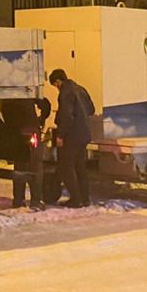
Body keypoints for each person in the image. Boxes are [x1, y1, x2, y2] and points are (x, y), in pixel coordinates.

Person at [50, 67, 95, 208]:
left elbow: (66, 116)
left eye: (55, 85)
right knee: (80, 167)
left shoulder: (65, 93)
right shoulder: (80, 89)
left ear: (58, 81)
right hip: (84, 135)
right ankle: (85, 198)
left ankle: (76, 199)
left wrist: (60, 135)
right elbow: (91, 109)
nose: (56, 88)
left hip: (71, 136)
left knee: (66, 167)